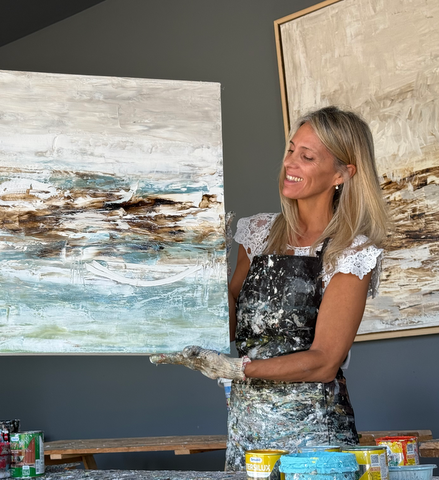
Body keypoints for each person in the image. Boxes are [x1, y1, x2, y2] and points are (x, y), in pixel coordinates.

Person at [151, 106, 390, 471]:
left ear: (341, 174)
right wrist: (206, 270)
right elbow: (229, 326)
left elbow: (324, 362)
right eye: (291, 150)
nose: (290, 163)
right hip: (248, 433)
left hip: (315, 439)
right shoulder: (259, 233)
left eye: (307, 156)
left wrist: (238, 369)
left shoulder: (351, 253)